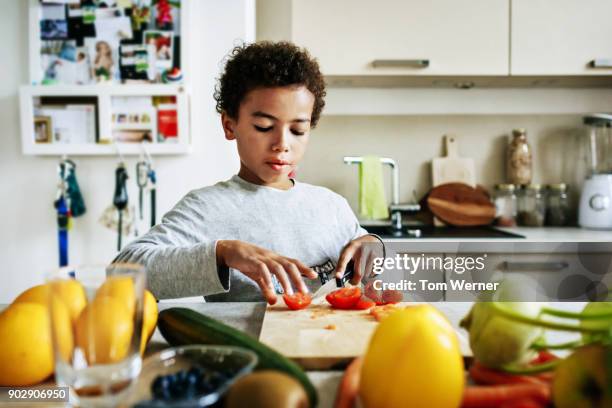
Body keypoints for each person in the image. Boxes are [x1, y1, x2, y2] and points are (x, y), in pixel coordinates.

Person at [114, 41, 381, 304]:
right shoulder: (209, 207)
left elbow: (384, 283)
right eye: (264, 127)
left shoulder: (331, 206)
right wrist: (223, 252)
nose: (282, 144)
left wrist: (376, 247)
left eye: (298, 130)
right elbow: (122, 274)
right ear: (230, 126)